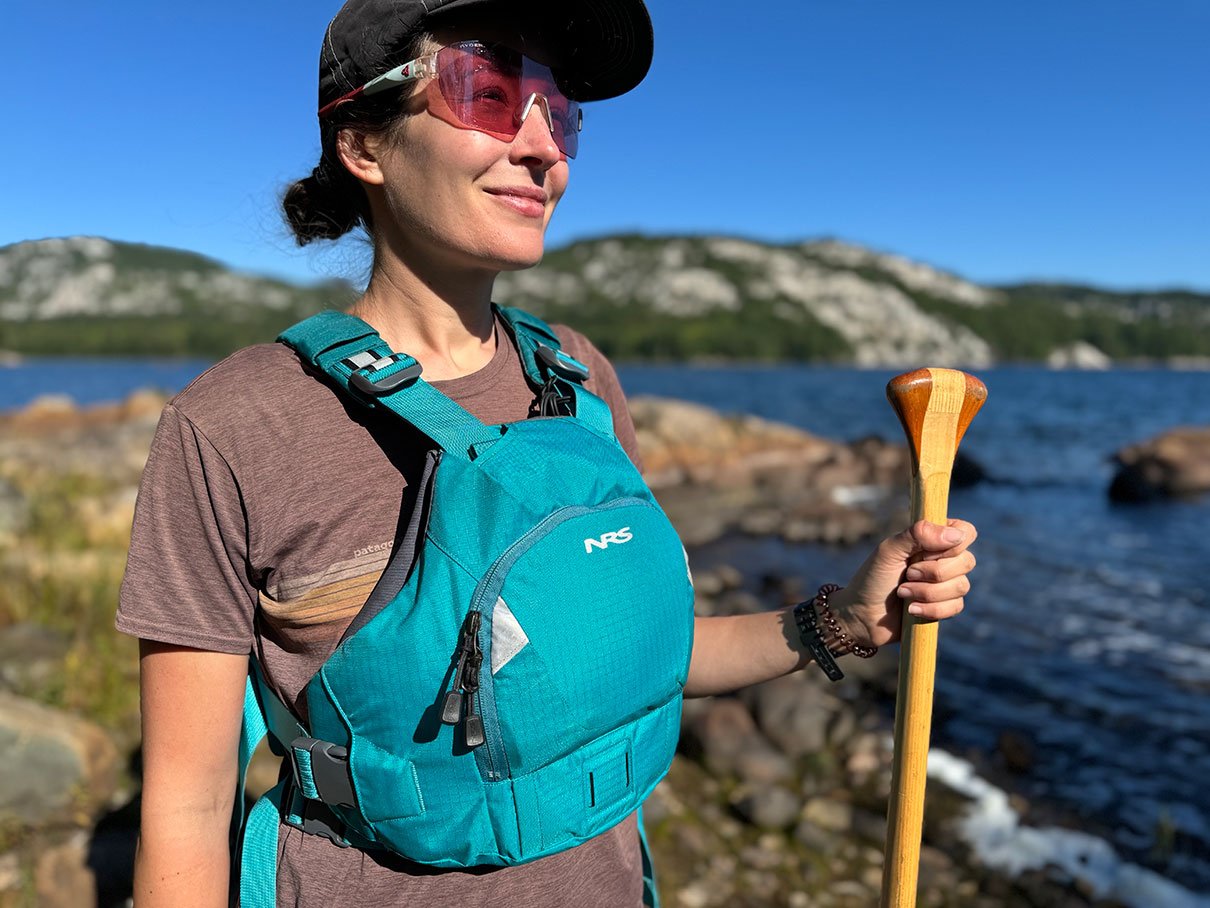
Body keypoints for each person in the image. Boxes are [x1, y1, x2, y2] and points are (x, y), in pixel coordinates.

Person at [116, 0, 978, 905]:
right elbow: (187, 807)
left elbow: (641, 655)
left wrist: (842, 620)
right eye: (487, 93)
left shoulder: (578, 380)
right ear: (363, 144)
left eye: (559, 113)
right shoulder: (238, 424)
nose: (544, 150)